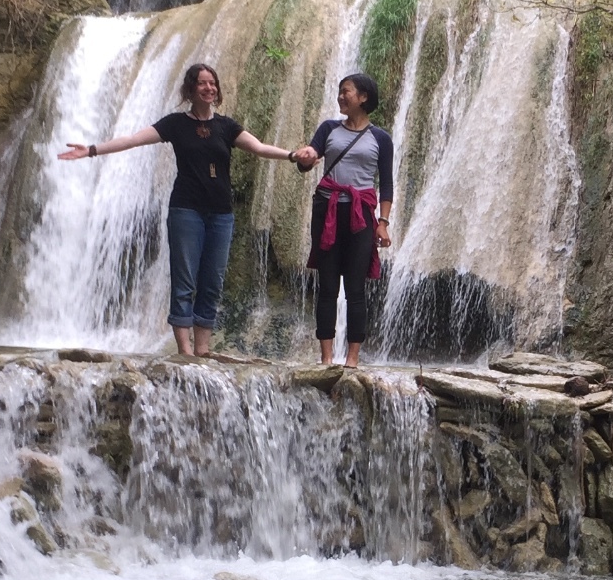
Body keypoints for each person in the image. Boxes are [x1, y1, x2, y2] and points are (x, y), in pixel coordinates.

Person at [59, 61, 302, 357]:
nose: (209, 88)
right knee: (185, 278)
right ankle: (185, 351)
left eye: (212, 83)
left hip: (221, 214)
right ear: (191, 89)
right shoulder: (175, 124)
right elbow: (134, 140)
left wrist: (292, 156)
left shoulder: (226, 127)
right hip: (186, 210)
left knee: (212, 281)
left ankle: (202, 350)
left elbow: (260, 148)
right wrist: (92, 150)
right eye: (202, 83)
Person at [295, 72, 394, 367]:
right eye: (339, 91)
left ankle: (352, 358)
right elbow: (311, 156)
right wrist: (306, 156)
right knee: (327, 286)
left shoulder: (381, 138)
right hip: (327, 209)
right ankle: (326, 357)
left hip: (361, 215)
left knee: (355, 288)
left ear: (363, 97)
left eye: (346, 91)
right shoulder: (328, 129)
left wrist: (383, 222)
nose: (340, 96)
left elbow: (386, 184)